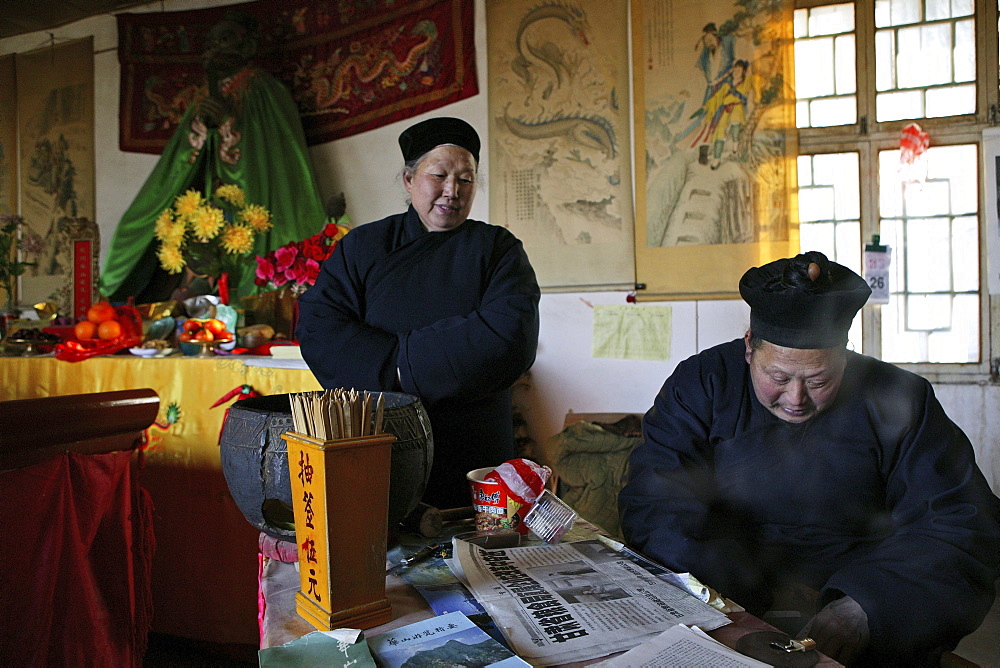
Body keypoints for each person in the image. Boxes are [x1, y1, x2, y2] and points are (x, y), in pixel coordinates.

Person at [618, 251, 1000, 665]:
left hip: (867, 598)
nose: (796, 399)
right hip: (725, 593)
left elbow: (962, 523)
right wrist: (736, 601)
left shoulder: (900, 397)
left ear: (845, 354)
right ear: (749, 347)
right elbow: (656, 502)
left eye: (819, 380)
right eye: (778, 377)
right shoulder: (703, 383)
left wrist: (866, 606)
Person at [296, 117, 541, 510]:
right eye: (439, 175)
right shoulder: (364, 246)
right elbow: (319, 328)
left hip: (472, 445)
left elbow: (509, 335)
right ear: (409, 180)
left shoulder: (497, 248)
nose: (451, 191)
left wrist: (399, 368)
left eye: (465, 179)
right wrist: (396, 369)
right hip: (379, 437)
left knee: (470, 554)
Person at [99, 9, 327, 304]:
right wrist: (204, 127)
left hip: (255, 200)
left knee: (252, 256)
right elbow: (182, 156)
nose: (216, 47)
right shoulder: (204, 94)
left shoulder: (263, 89)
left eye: (226, 39)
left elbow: (272, 154)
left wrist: (229, 120)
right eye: (213, 41)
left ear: (248, 46)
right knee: (142, 226)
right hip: (210, 202)